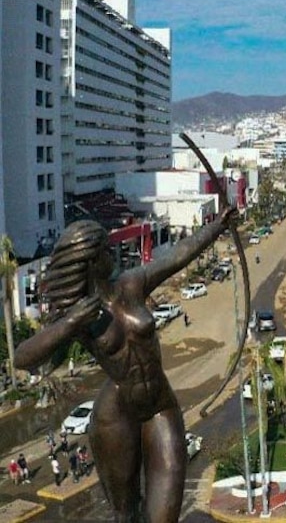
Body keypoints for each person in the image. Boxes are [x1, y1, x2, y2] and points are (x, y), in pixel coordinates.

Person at [15, 207, 236, 522]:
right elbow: (23, 358)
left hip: (161, 406)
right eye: (106, 250)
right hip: (116, 414)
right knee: (126, 514)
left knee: (164, 515)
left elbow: (177, 256)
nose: (113, 254)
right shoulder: (77, 315)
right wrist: (70, 323)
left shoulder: (132, 284)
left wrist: (217, 226)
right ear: (92, 261)